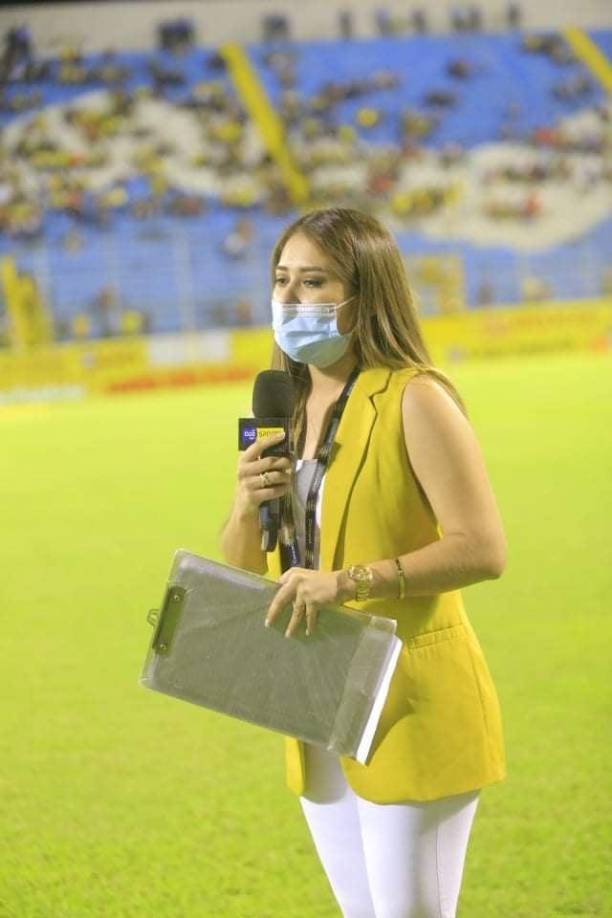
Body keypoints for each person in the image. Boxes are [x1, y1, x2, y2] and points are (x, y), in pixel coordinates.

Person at [220, 207, 506, 918]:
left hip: (409, 701)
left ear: (365, 293)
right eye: (281, 280)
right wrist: (241, 500)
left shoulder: (418, 398)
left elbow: (483, 547)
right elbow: (246, 562)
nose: (289, 299)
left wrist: (347, 582)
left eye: (314, 282)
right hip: (316, 702)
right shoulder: (279, 406)